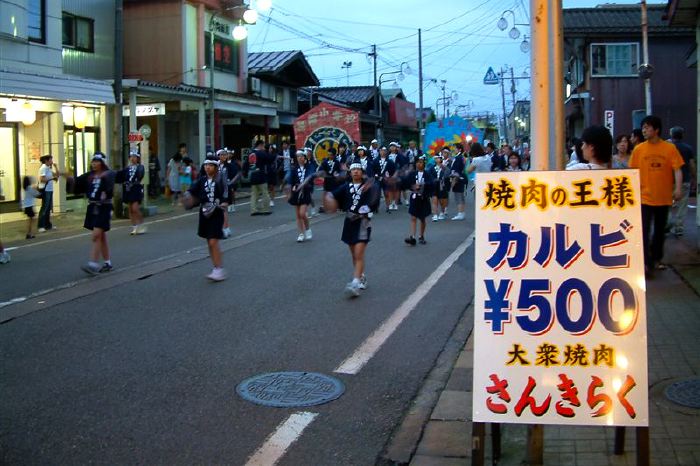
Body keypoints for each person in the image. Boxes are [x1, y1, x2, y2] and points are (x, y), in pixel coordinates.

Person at [629, 115, 684, 276]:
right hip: (644, 197)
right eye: (643, 127)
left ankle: (656, 258)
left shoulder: (669, 148)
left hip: (663, 197)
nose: (644, 130)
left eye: (647, 127)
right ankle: (645, 263)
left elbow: (677, 169)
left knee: (659, 231)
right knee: (644, 230)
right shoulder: (639, 149)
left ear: (656, 129)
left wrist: (678, 188)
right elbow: (632, 172)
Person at [323, 162, 380, 298]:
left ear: (362, 172)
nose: (355, 172)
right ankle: (362, 276)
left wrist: (369, 206)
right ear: (350, 173)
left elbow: (375, 196)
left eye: (358, 170)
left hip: (363, 222)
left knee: (359, 253)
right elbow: (332, 195)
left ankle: (355, 284)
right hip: (349, 222)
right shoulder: (345, 187)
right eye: (353, 170)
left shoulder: (368, 186)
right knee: (354, 254)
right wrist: (329, 198)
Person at [184, 155, 229, 281]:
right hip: (204, 213)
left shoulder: (220, 179)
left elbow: (226, 194)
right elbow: (191, 192)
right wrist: (187, 198)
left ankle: (219, 269)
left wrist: (224, 202)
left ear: (215, 167)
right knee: (209, 242)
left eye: (210, 165)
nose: (207, 167)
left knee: (213, 241)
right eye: (205, 165)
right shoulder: (201, 180)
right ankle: (216, 268)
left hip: (216, 213)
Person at [74, 153, 116, 275]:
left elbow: (109, 186)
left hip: (104, 207)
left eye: (97, 161)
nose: (94, 164)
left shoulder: (108, 174)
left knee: (96, 235)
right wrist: (65, 175)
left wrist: (106, 192)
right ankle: (108, 263)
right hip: (93, 206)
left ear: (102, 163)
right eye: (93, 161)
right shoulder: (90, 175)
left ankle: (93, 263)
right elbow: (78, 182)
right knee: (101, 236)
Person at [667, 126, 696, 237]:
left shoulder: (667, 147)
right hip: (684, 179)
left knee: (667, 204)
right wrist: (694, 178)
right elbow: (692, 165)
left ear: (671, 135)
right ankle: (679, 227)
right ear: (682, 135)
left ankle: (667, 224)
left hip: (668, 180)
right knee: (682, 205)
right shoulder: (687, 148)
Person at [401, 156, 434, 245]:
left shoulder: (427, 174)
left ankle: (421, 236)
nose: (419, 164)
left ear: (424, 163)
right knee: (413, 217)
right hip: (414, 197)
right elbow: (406, 183)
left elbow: (432, 183)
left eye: (421, 162)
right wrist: (412, 186)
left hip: (423, 198)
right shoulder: (412, 174)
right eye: (418, 162)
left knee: (422, 218)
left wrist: (423, 184)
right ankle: (412, 236)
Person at [287, 150, 316, 242]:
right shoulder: (293, 168)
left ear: (305, 157)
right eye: (298, 156)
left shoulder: (310, 167)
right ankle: (300, 234)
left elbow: (310, 177)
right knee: (298, 215)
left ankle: (307, 228)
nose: (300, 158)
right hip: (296, 193)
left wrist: (304, 184)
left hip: (305, 192)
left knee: (302, 213)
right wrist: (292, 188)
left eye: (301, 156)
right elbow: (290, 180)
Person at [117, 150, 146, 235]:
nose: (133, 158)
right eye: (131, 157)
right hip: (128, 189)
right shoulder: (126, 169)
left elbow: (140, 175)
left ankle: (141, 225)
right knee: (130, 209)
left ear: (138, 158)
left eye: (135, 157)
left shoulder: (140, 167)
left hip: (136, 188)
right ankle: (134, 227)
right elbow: (120, 177)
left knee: (135, 208)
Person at [243, 140, 273, 215]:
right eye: (263, 146)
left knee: (254, 194)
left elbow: (245, 165)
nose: (263, 147)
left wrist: (245, 173)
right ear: (260, 145)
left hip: (253, 175)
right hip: (261, 175)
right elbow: (270, 159)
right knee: (265, 193)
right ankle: (265, 209)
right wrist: (268, 152)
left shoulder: (251, 154)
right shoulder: (261, 153)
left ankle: (254, 210)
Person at [37, 154, 59, 232]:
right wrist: (52, 178)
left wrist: (56, 167)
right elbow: (42, 179)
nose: (52, 161)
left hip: (50, 190)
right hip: (45, 190)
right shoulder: (43, 168)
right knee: (44, 208)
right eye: (51, 160)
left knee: (48, 209)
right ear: (46, 160)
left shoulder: (48, 168)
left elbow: (57, 175)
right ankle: (41, 226)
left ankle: (47, 225)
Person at [373, 146, 397, 213]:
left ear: (386, 151)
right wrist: (375, 175)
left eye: (384, 150)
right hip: (377, 179)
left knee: (386, 193)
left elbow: (393, 170)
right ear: (379, 151)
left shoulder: (390, 161)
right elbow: (372, 170)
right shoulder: (375, 161)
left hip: (386, 180)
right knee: (377, 194)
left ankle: (388, 207)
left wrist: (391, 177)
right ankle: (376, 208)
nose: (383, 152)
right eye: (381, 150)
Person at [449, 143, 468, 220]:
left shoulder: (459, 158)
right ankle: (462, 213)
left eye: (455, 148)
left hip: (458, 178)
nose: (454, 149)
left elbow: (457, 170)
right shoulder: (458, 157)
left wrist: (453, 181)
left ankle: (460, 213)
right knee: (460, 196)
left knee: (458, 196)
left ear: (459, 149)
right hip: (459, 178)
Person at [431, 152, 450, 221]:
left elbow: (448, 174)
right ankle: (435, 215)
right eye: (435, 158)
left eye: (438, 158)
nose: (436, 159)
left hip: (442, 185)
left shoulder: (445, 167)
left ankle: (442, 212)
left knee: (442, 201)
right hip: (434, 185)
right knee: (434, 199)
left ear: (441, 159)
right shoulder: (432, 167)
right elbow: (429, 175)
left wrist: (443, 169)